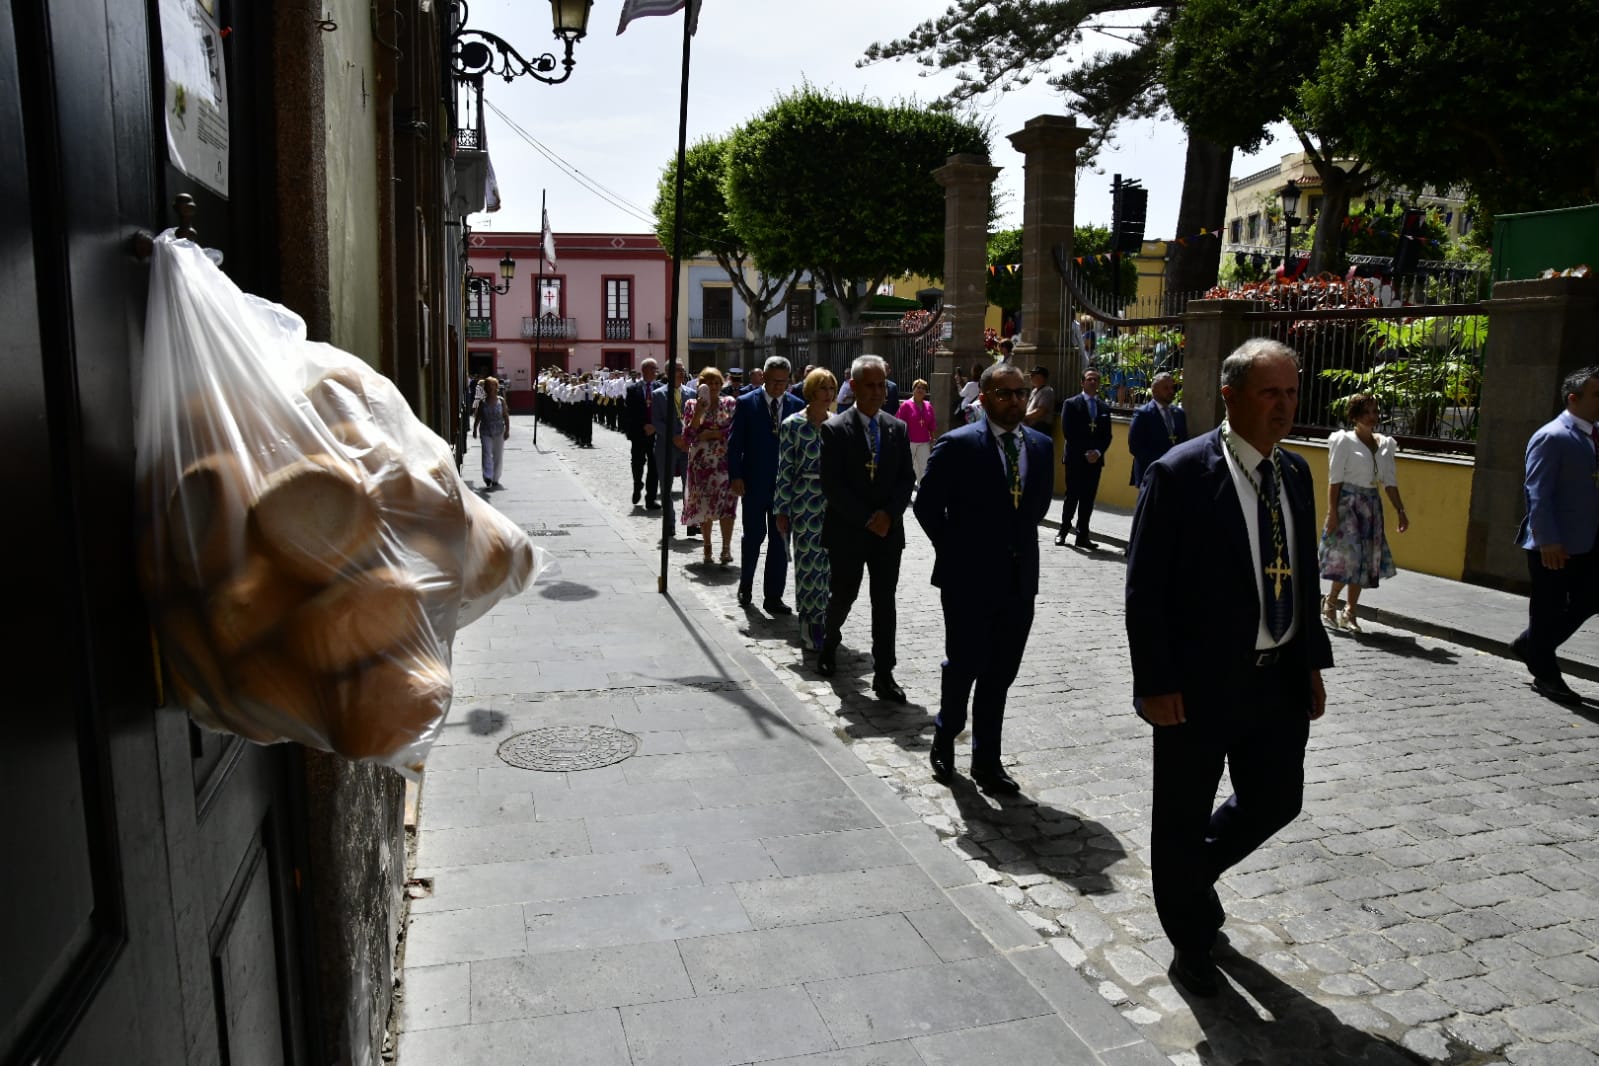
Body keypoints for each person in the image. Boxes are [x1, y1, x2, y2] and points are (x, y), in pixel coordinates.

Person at [1125, 338, 1333, 998]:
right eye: (1270, 392)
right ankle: (1189, 936)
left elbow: (1299, 576)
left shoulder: (1294, 474)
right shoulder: (1180, 473)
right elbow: (1144, 589)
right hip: (1196, 685)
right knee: (1180, 814)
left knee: (1278, 799)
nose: (1284, 406)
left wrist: (1310, 663)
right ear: (1230, 396)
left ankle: (1188, 877)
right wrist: (1155, 683)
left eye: (1291, 392)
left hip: (1275, 677)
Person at [915, 364, 1054, 795]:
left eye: (1020, 393)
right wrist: (957, 551)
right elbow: (926, 507)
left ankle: (987, 759)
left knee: (1001, 671)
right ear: (985, 397)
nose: (1014, 400)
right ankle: (946, 733)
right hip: (967, 580)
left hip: (1018, 579)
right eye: (1005, 393)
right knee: (964, 664)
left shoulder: (1041, 446)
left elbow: (1037, 506)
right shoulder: (957, 445)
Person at [818, 354, 915, 701]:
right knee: (844, 594)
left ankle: (884, 673)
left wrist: (889, 514)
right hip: (848, 530)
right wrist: (865, 518)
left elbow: (907, 478)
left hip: (888, 533)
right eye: (870, 386)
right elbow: (832, 485)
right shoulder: (835, 429)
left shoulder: (897, 427)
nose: (878, 392)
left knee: (884, 602)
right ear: (854, 387)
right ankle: (828, 643)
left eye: (882, 385)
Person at [1512, 365, 1599, 705]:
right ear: (1573, 399)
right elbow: (1537, 491)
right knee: (1548, 608)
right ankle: (1545, 672)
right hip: (1554, 543)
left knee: (1591, 598)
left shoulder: (1593, 435)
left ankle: (1531, 644)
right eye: (1597, 395)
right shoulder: (1552, 436)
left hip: (1589, 539)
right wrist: (1547, 539)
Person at [1319, 393, 1409, 632]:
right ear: (1356, 415)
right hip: (1348, 504)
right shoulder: (1344, 441)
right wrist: (1332, 513)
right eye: (1367, 412)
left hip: (1371, 505)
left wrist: (1400, 510)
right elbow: (1334, 480)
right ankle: (1331, 602)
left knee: (1364, 560)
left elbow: (1389, 482)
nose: (1373, 417)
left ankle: (1350, 611)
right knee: (1350, 557)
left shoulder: (1384, 445)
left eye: (1375, 411)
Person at [728, 355, 804, 612]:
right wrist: (735, 476)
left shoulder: (797, 405)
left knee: (780, 542)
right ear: (764, 378)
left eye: (783, 382)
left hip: (784, 489)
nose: (778, 387)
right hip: (753, 484)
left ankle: (773, 596)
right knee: (753, 537)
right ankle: (745, 584)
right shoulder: (747, 403)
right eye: (773, 382)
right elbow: (734, 443)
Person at [774, 368, 839, 655]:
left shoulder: (837, 425)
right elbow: (785, 470)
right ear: (811, 392)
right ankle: (809, 622)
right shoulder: (793, 425)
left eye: (831, 388)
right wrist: (782, 509)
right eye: (823, 388)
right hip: (804, 502)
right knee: (808, 565)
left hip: (832, 504)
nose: (828, 393)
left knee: (828, 567)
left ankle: (823, 619)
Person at [681, 367, 738, 564]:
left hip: (724, 462)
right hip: (701, 463)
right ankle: (707, 546)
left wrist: (711, 434)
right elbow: (688, 435)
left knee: (727, 505)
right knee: (704, 505)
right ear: (700, 386)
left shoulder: (729, 403)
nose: (713, 387)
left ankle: (726, 547)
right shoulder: (691, 404)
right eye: (709, 383)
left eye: (717, 383)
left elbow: (734, 431)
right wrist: (699, 412)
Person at [1056, 368, 1113, 549]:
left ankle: (1083, 535)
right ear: (1082, 382)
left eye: (1096, 380)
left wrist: (1097, 452)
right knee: (1072, 496)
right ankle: (1063, 531)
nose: (1093, 382)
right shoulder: (1071, 404)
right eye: (1089, 379)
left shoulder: (1103, 407)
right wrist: (1085, 452)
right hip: (1075, 458)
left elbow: (1107, 436)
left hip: (1095, 460)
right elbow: (1069, 431)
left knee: (1088, 499)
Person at [651, 362, 695, 541]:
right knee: (666, 486)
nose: (681, 373)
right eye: (677, 370)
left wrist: (687, 439)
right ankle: (669, 523)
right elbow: (657, 422)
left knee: (690, 486)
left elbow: (695, 420)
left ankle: (691, 522)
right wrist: (674, 437)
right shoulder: (658, 394)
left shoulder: (691, 394)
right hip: (666, 447)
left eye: (683, 370)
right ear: (668, 373)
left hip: (687, 447)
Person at [1127, 371, 1188, 490]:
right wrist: (1161, 463)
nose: (1171, 391)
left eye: (1172, 388)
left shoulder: (1179, 414)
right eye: (1166, 388)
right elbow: (1135, 446)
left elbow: (1183, 442)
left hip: (1174, 474)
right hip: (1150, 473)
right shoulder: (1143, 414)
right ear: (1154, 391)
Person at [624, 358, 661, 509]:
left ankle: (650, 498)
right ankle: (637, 484)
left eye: (656, 368)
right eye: (652, 368)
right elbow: (629, 413)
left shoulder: (661, 388)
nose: (655, 371)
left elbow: (664, 412)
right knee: (637, 462)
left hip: (656, 433)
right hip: (639, 433)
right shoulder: (633, 389)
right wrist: (642, 426)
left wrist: (655, 426)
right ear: (644, 370)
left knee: (654, 465)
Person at [895, 379, 938, 487]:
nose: (921, 390)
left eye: (923, 388)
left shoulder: (928, 405)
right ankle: (906, 492)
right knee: (909, 468)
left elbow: (932, 424)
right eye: (918, 387)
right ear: (913, 389)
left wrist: (933, 439)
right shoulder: (906, 405)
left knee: (924, 467)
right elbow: (899, 424)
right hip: (909, 442)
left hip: (924, 442)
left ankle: (922, 491)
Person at [472, 376, 509, 490]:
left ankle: (495, 478)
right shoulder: (482, 402)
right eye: (488, 386)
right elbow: (478, 416)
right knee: (486, 453)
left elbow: (505, 416)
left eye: (492, 385)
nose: (490, 388)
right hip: (485, 430)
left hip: (499, 430)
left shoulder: (501, 401)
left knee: (498, 455)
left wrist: (507, 430)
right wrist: (474, 429)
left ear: (496, 387)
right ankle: (487, 476)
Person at [1023, 365, 1056, 441]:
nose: (1030, 377)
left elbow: (1040, 411)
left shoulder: (1047, 391)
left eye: (1033, 375)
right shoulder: (1035, 390)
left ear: (1041, 377)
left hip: (1041, 427)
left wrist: (1023, 417)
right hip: (1031, 427)